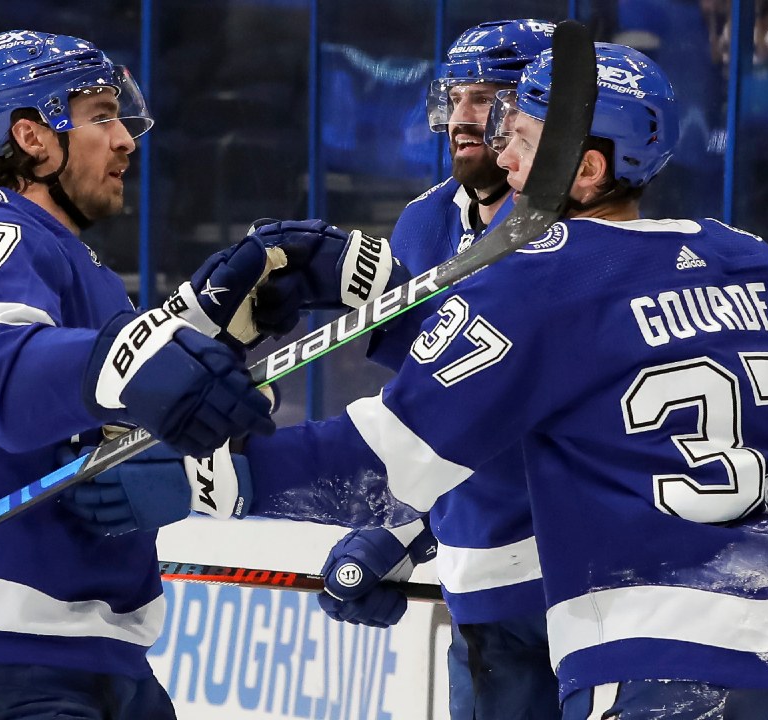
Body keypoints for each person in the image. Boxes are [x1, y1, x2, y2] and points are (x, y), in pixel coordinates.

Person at [88, 44, 768, 718]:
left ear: (590, 168)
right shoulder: (749, 260)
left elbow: (386, 461)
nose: (504, 159)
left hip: (652, 667)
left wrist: (208, 474)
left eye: (523, 144)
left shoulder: (538, 277)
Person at [0, 30, 276, 720]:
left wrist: (215, 326)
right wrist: (144, 358)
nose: (126, 139)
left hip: (84, 638)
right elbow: (0, 377)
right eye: (100, 115)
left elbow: (103, 400)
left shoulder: (76, 267)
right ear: (32, 136)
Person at [317, 19, 561, 720]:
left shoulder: (582, 228)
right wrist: (400, 525)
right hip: (486, 571)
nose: (459, 118)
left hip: (595, 571)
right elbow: (430, 413)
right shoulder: (425, 225)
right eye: (454, 96)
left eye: (485, 99)